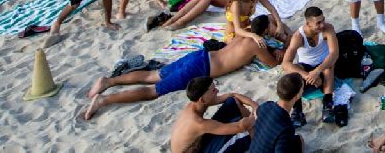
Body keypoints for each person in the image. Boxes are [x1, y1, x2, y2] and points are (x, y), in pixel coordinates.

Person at [84, 15, 283, 119]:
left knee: (152, 75)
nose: (276, 30)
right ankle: (104, 99)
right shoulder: (255, 45)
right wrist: (279, 48)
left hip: (200, 56)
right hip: (201, 69)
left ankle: (110, 81)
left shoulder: (245, 33)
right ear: (265, 30)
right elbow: (274, 64)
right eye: (273, 26)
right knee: (152, 91)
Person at [282, 6, 339, 127]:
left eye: (323, 20)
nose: (322, 24)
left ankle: (328, 104)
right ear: (308, 24)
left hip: (324, 65)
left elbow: (334, 53)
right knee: (292, 75)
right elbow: (285, 63)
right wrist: (308, 75)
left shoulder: (328, 29)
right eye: (318, 23)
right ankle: (297, 112)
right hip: (306, 67)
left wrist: (318, 71)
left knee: (329, 66)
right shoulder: (298, 37)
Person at [169, 77, 256, 153]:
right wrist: (254, 117)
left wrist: (255, 106)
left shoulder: (196, 104)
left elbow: (232, 96)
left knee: (232, 102)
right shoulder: (199, 123)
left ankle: (256, 129)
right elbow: (241, 127)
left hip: (201, 142)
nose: (217, 91)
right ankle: (259, 140)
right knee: (246, 131)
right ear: (202, 100)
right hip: (200, 150)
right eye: (214, 90)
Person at [248, 73, 306, 152]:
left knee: (298, 140)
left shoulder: (265, 106)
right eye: (302, 87)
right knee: (299, 142)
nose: (303, 89)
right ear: (296, 96)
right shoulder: (286, 128)